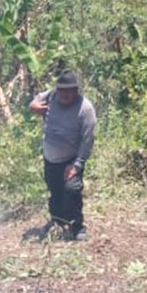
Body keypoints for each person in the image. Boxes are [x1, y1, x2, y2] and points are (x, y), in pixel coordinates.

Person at [29, 68, 96, 241]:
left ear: (76, 91)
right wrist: (33, 105)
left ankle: (77, 227)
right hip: (50, 158)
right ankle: (58, 222)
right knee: (55, 191)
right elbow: (36, 100)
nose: (64, 94)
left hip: (71, 158)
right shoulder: (51, 96)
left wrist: (77, 165)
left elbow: (87, 140)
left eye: (69, 90)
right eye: (61, 90)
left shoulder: (85, 108)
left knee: (72, 190)